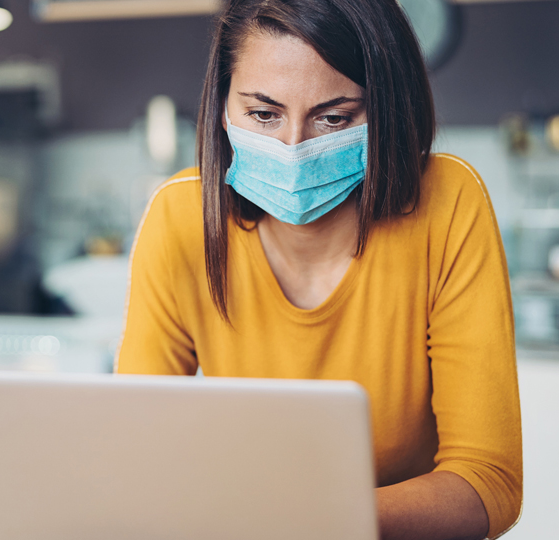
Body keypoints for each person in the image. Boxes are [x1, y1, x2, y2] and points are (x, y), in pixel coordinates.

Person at [115, 0, 522, 539]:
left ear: (387, 110)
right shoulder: (181, 217)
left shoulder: (449, 204)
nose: (293, 149)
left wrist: (301, 518)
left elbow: (488, 483)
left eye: (334, 118)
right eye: (263, 114)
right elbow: (136, 453)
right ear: (220, 107)